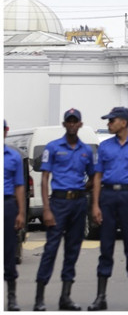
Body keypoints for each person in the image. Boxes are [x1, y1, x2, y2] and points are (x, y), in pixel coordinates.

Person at [87, 107, 128, 311]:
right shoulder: (105, 147)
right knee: (106, 247)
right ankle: (100, 297)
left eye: (111, 120)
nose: (108, 124)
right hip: (107, 196)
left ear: (123, 122)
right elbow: (97, 176)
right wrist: (95, 205)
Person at [34, 108, 96, 311]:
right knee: (50, 249)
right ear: (64, 124)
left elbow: (94, 176)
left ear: (79, 124)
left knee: (73, 249)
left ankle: (65, 297)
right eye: (68, 121)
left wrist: (82, 190)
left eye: (74, 121)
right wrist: (46, 209)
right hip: (58, 203)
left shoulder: (86, 150)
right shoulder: (52, 148)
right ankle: (39, 298)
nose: (71, 124)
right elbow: (44, 180)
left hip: (78, 203)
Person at [4, 120, 25, 311]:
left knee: (9, 252)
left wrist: (21, 212)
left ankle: (11, 297)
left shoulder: (13, 156)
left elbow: (19, 185)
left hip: (7, 204)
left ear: (6, 131)